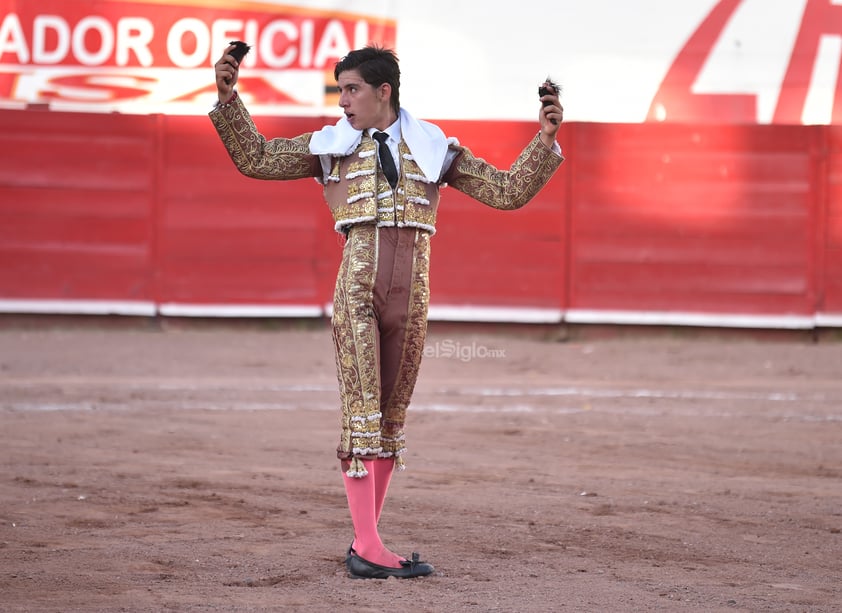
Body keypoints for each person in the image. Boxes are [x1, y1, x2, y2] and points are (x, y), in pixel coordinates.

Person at [210, 44, 564, 580]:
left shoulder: (433, 147)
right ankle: (370, 546)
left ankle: (365, 542)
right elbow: (256, 158)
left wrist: (544, 139)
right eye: (340, 90)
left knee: (390, 417)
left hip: (412, 298)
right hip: (357, 291)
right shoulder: (331, 145)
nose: (343, 101)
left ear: (383, 92)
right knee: (362, 413)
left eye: (351, 89)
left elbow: (508, 192)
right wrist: (228, 97)